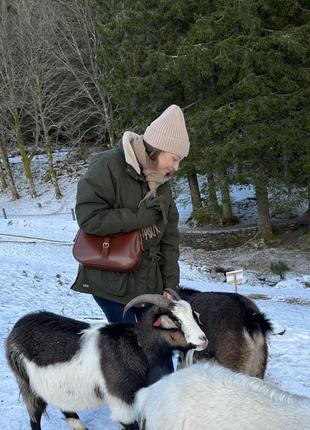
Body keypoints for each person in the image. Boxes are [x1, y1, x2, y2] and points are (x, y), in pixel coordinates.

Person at [71, 104, 190, 388]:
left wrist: (171, 285)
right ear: (155, 148)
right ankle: (133, 408)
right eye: (174, 158)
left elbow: (170, 238)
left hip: (151, 283)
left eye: (180, 160)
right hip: (111, 281)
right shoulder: (108, 166)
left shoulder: (163, 182)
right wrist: (139, 218)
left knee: (160, 352)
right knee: (130, 351)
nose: (176, 167)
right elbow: (88, 217)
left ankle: (163, 409)